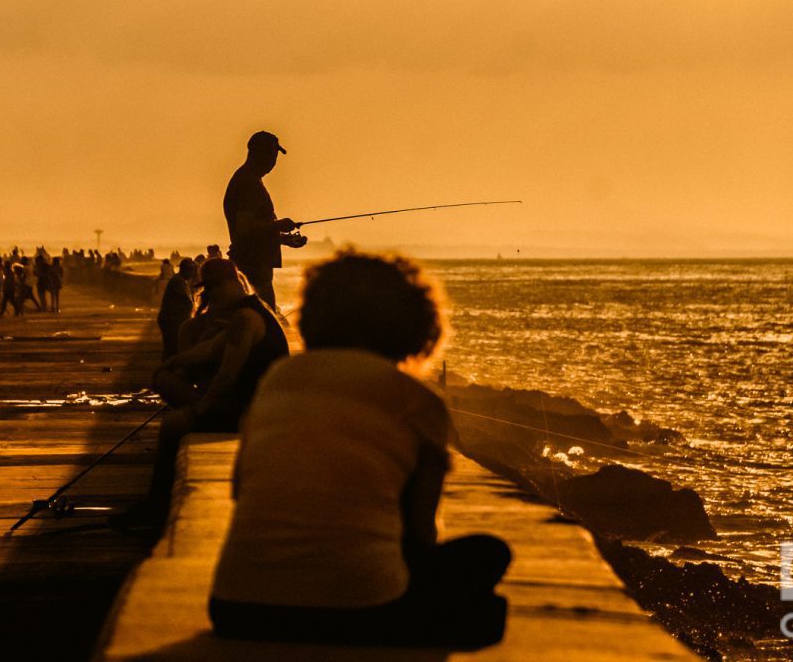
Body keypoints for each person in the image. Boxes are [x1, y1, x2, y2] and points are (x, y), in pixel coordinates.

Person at [208, 251, 509, 649]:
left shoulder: (279, 379)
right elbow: (419, 536)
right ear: (414, 322)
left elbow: (239, 490)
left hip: (236, 608)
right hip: (359, 612)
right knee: (489, 562)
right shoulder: (420, 403)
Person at [112, 258, 288, 529]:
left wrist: (202, 409)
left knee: (173, 426)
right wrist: (176, 362)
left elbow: (227, 375)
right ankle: (156, 504)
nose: (212, 294)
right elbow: (211, 349)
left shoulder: (245, 318)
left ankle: (156, 508)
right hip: (250, 404)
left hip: (248, 409)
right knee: (164, 377)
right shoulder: (248, 311)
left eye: (216, 287)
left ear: (233, 281)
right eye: (209, 289)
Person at [223, 130, 307, 308]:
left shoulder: (251, 180)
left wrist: (284, 238)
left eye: (275, 156)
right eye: (270, 155)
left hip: (255, 267)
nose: (273, 162)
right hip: (253, 268)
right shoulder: (248, 183)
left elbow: (256, 229)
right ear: (256, 153)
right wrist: (279, 224)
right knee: (264, 325)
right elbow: (244, 228)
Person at [156, 257, 198, 359]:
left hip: (171, 319)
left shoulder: (181, 281)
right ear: (186, 269)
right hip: (170, 320)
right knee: (172, 348)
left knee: (171, 348)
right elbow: (186, 299)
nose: (192, 274)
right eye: (191, 271)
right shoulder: (178, 281)